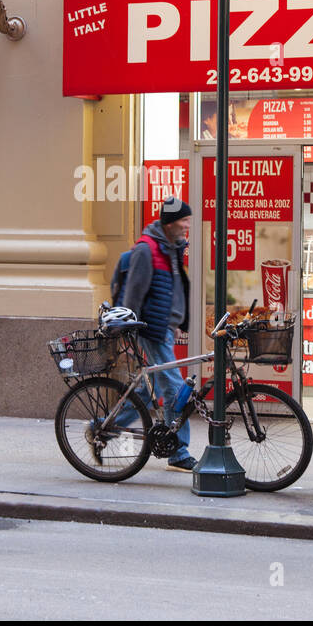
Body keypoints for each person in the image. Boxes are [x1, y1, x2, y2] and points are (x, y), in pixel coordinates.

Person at [119, 196, 195, 471]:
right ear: (171, 223)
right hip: (152, 329)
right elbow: (133, 295)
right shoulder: (146, 250)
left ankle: (102, 427)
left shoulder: (170, 248)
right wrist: (130, 331)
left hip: (164, 329)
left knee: (148, 393)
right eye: (185, 220)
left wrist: (175, 324)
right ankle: (178, 453)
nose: (188, 225)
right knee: (175, 391)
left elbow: (173, 290)